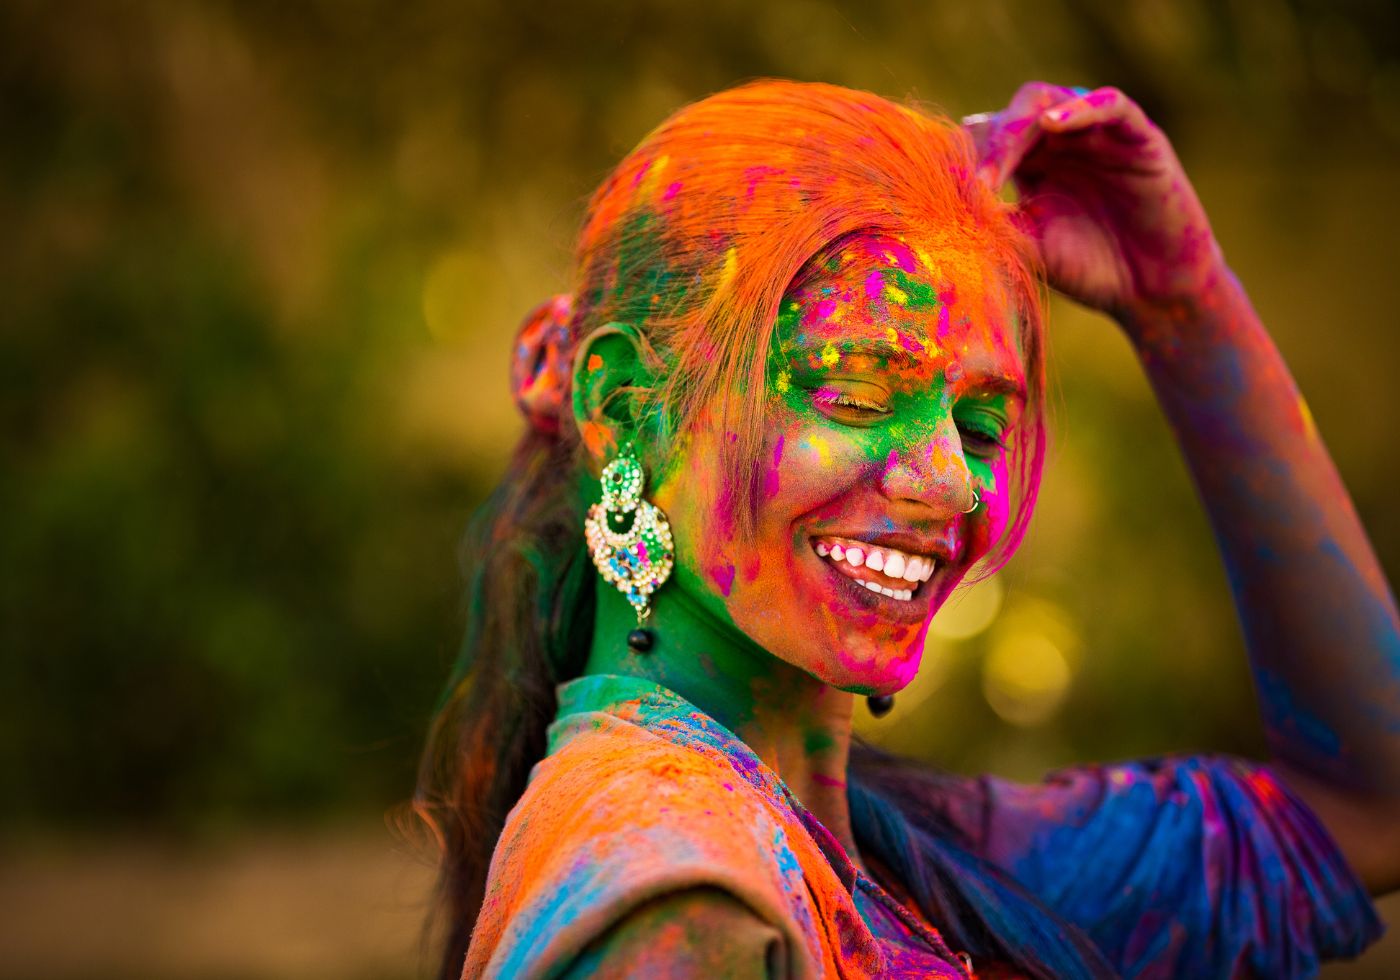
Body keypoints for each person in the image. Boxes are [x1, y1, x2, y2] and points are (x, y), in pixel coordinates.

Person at [415, 79, 1399, 978]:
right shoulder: (674, 890)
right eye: (852, 389)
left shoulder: (905, 852)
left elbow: (1370, 803)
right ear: (627, 407)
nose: (951, 483)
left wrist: (1180, 299)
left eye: (978, 426)